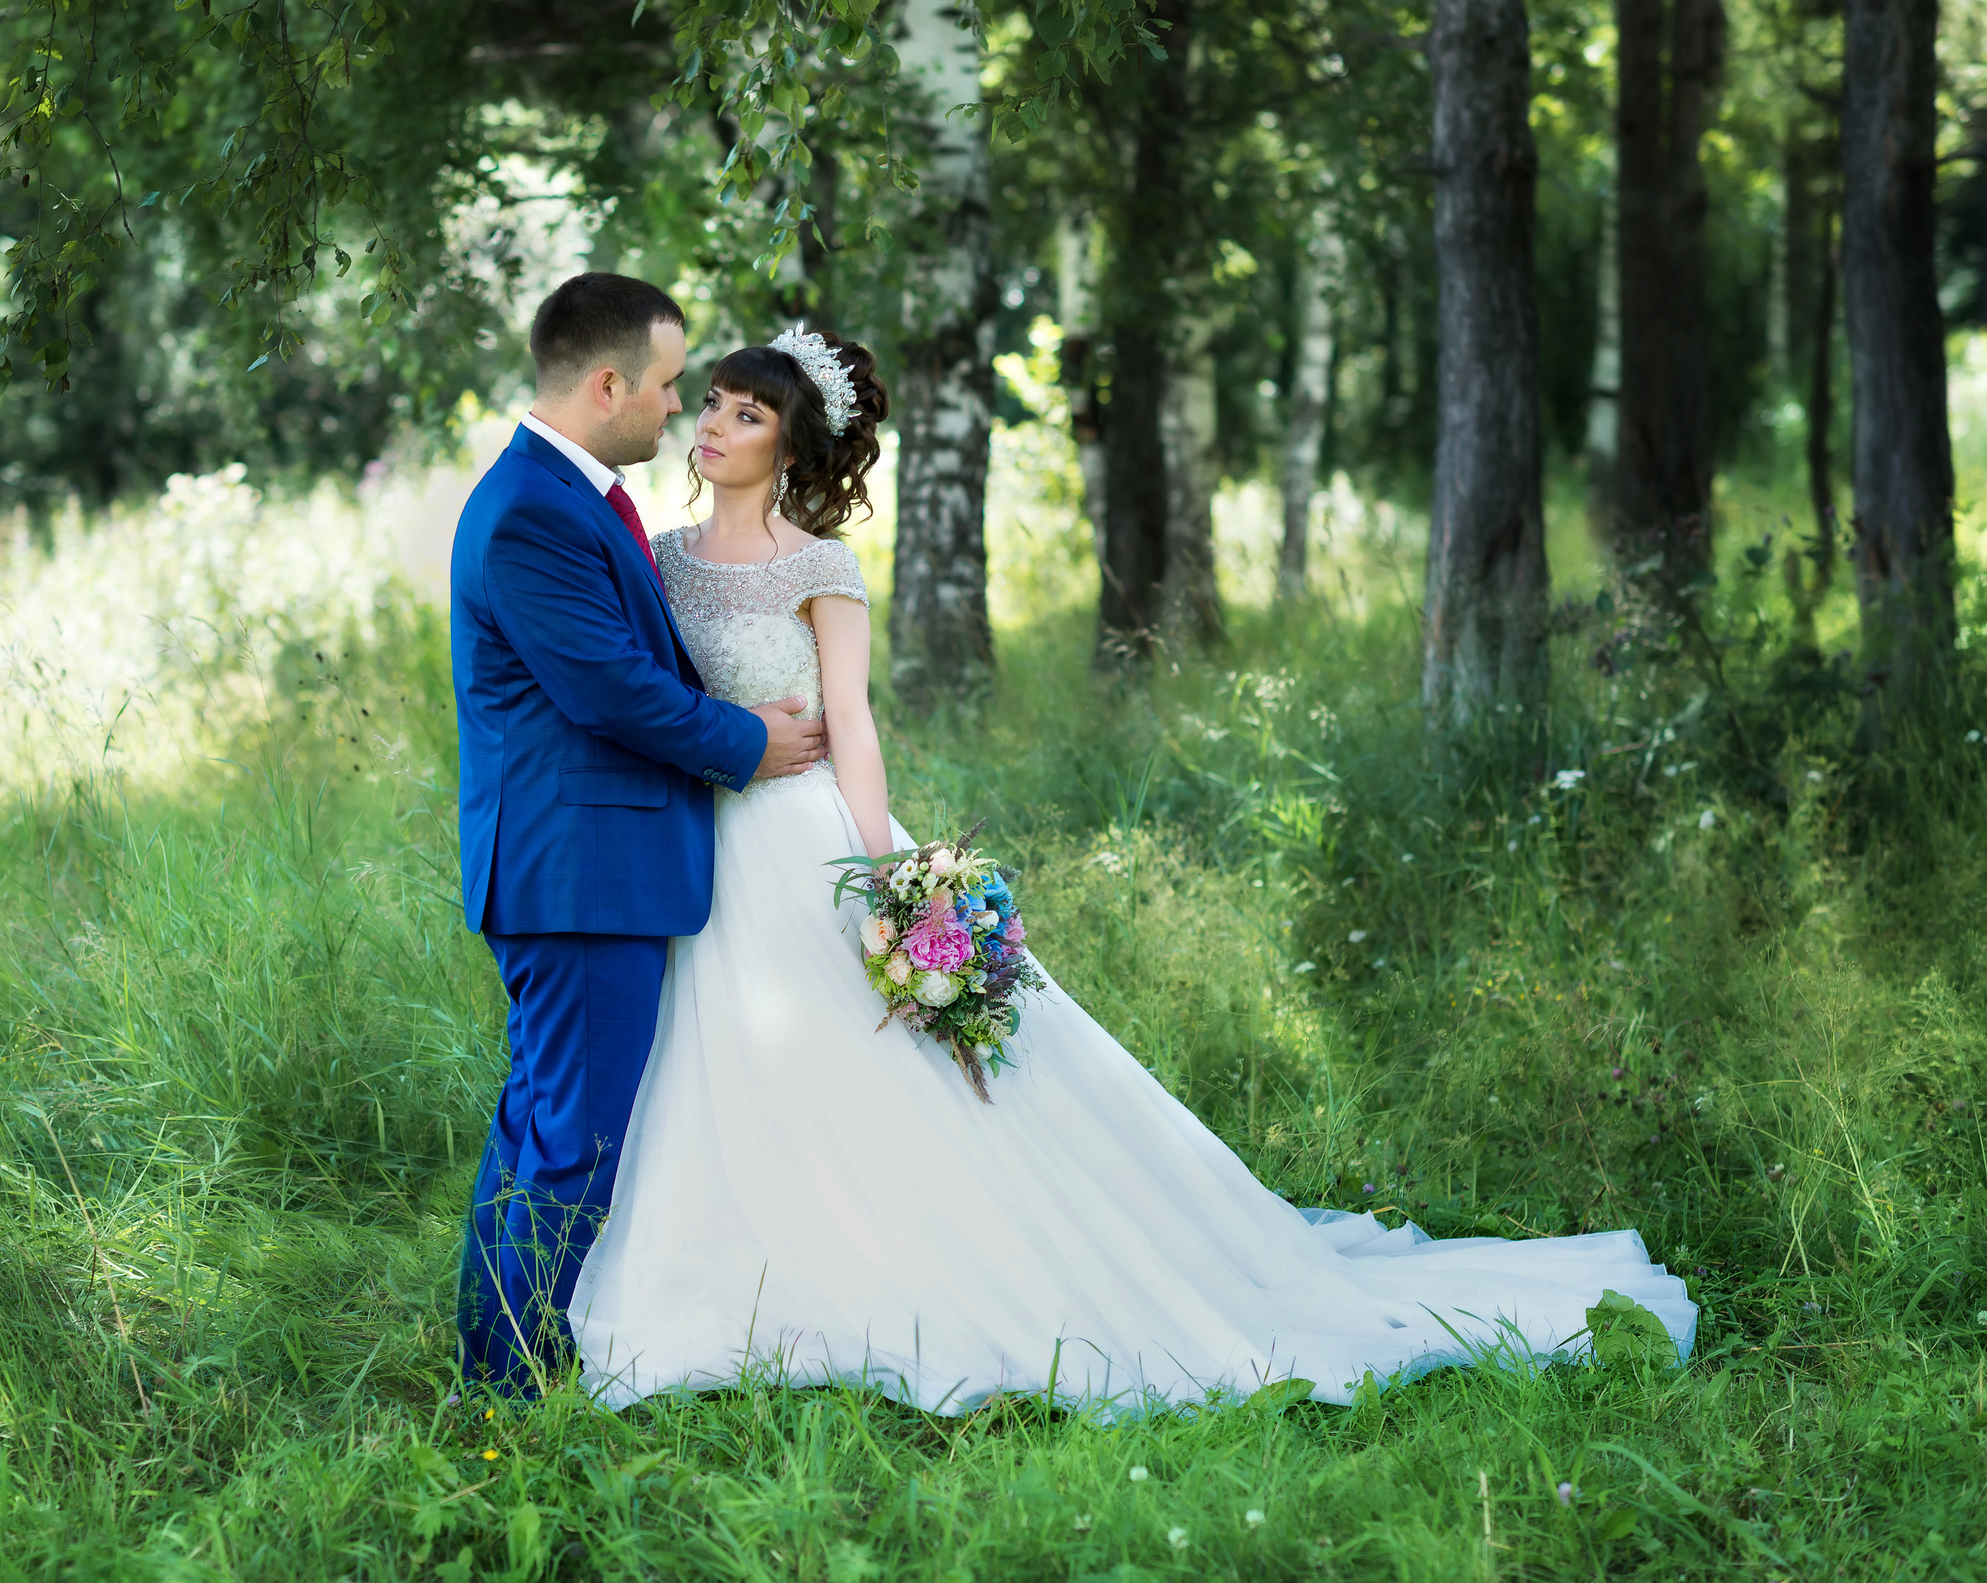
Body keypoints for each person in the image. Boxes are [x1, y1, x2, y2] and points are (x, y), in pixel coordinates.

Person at [567, 324, 1698, 1415]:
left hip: (806, 838)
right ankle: (745, 1271)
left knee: (870, 1074)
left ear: (791, 445)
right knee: (727, 1070)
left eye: (746, 412)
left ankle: (898, 1274)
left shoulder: (819, 564)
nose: (714, 424)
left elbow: (853, 726)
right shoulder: (659, 558)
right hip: (702, 843)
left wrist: (892, 887)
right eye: (711, 401)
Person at [448, 273, 830, 1395]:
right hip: (577, 875)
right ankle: (514, 1379)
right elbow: (610, 689)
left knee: (541, 1121)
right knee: (573, 1137)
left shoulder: (574, 496)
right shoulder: (529, 511)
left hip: (585, 867)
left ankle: (500, 1351)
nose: (678, 409)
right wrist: (747, 741)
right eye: (668, 385)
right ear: (609, 381)